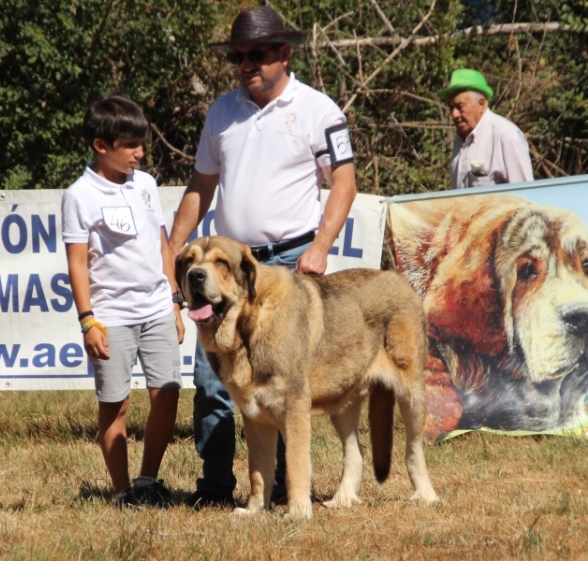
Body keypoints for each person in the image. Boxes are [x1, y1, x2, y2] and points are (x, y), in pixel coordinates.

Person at [168, 6, 357, 509]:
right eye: (239, 57)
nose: (247, 64)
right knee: (214, 384)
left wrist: (319, 248)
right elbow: (201, 186)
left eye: (258, 55)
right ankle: (214, 490)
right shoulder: (221, 113)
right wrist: (171, 250)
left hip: (289, 266)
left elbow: (344, 180)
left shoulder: (319, 109)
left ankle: (278, 492)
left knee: (283, 386)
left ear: (285, 54)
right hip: (226, 266)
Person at [61, 93, 185, 508]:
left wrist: (174, 301)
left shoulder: (146, 184)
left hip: (157, 309)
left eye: (141, 143)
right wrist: (88, 321)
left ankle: (148, 482)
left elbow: (163, 246)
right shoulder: (79, 195)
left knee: (167, 393)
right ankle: (122, 492)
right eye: (130, 145)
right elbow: (77, 263)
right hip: (111, 316)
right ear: (101, 146)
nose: (140, 153)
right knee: (115, 406)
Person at [438, 68, 534, 189]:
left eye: (459, 106)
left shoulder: (506, 136)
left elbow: (525, 196)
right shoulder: (460, 139)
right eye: (451, 107)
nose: (454, 114)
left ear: (481, 104)